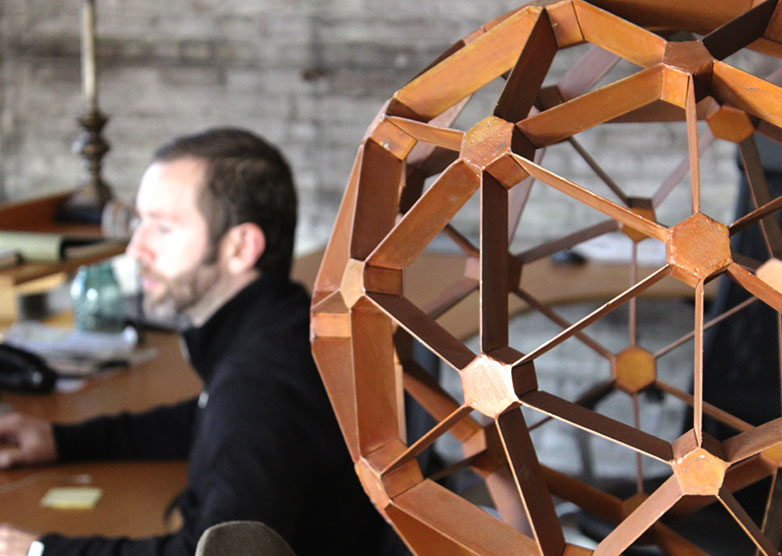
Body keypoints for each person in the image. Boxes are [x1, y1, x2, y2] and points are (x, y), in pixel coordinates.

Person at [0, 128, 397, 556]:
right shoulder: (275, 327)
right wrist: (63, 441)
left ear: (240, 246)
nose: (136, 249)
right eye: (140, 222)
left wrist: (39, 551)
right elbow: (211, 420)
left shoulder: (262, 383)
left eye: (163, 228)